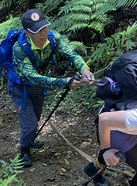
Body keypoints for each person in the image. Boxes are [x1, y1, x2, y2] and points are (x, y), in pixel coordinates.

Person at [9, 9, 94, 167]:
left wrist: (84, 68)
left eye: (45, 27)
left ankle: (30, 139)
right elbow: (32, 76)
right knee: (30, 124)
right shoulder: (19, 49)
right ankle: (24, 150)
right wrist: (64, 82)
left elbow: (71, 54)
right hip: (21, 89)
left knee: (36, 116)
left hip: (40, 88)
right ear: (27, 33)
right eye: (37, 31)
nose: (43, 33)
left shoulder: (53, 37)